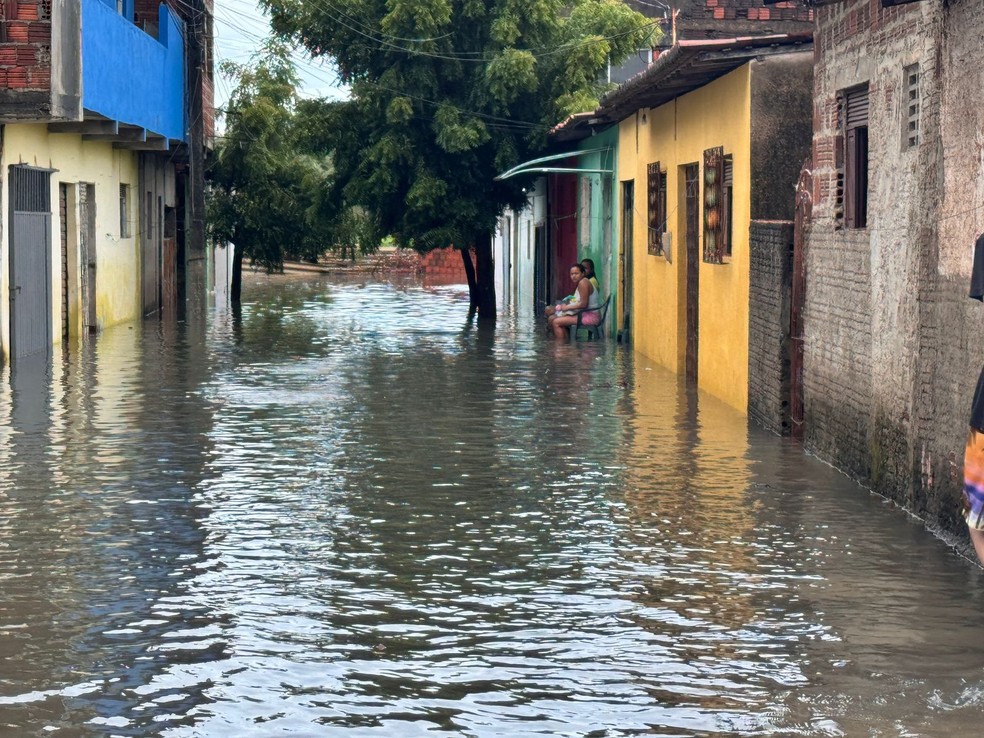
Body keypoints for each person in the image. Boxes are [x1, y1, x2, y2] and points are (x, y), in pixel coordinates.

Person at [551, 263, 600, 339]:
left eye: (576, 273)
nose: (573, 276)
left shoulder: (583, 283)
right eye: (571, 274)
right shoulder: (584, 281)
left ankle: (561, 347)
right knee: (557, 319)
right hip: (586, 314)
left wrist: (566, 308)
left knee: (556, 322)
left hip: (590, 317)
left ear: (583, 273)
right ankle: (566, 345)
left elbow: (583, 304)